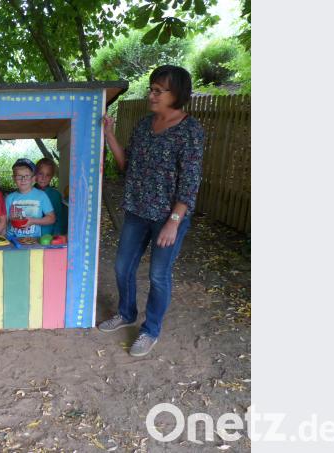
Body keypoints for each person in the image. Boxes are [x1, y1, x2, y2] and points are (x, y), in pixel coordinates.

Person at [97, 65, 204, 357]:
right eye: (151, 89)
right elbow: (126, 165)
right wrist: (109, 134)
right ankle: (126, 313)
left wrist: (173, 221)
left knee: (158, 274)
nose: (152, 95)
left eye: (159, 90)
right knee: (122, 266)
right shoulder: (145, 125)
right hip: (137, 210)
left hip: (168, 216)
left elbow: (190, 182)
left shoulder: (190, 129)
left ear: (177, 94)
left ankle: (150, 330)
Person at [5, 158, 56, 239]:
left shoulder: (41, 196)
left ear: (33, 179)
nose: (23, 179)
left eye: (27, 176)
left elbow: (51, 218)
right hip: (11, 240)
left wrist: (33, 221)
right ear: (14, 178)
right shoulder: (10, 198)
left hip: (33, 241)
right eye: (19, 176)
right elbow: (4, 221)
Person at [34, 157, 67, 235]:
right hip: (30, 234)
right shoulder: (28, 192)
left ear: (51, 177)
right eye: (41, 173)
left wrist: (56, 235)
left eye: (48, 175)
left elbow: (59, 218)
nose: (43, 178)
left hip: (48, 235)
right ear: (35, 174)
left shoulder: (55, 195)